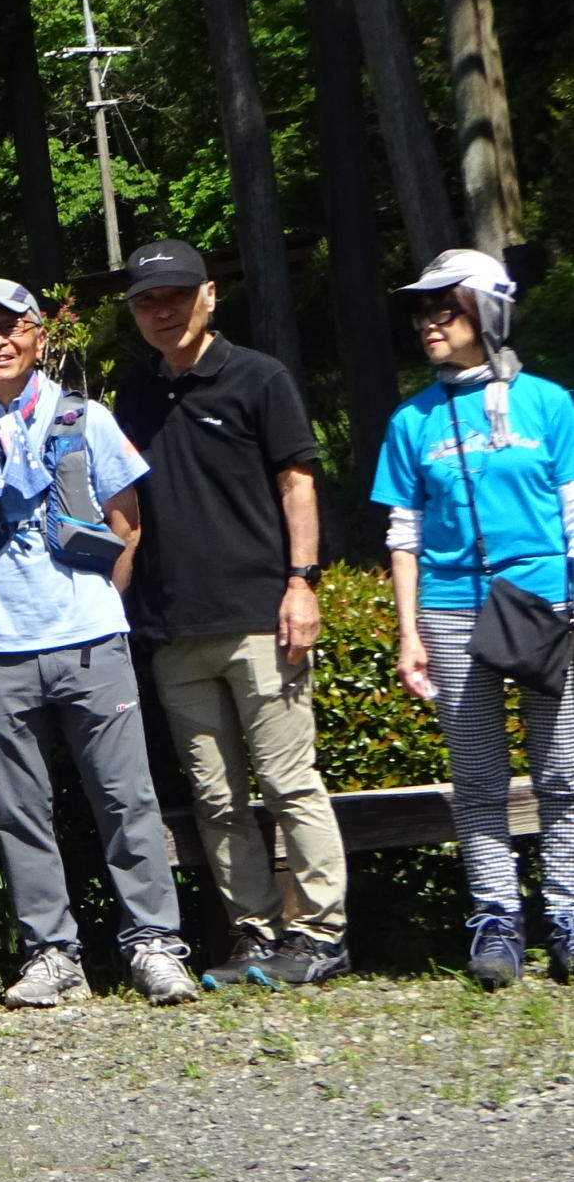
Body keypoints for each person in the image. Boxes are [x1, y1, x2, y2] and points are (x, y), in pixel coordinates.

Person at [0, 280, 200, 1008]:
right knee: (19, 810)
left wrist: (101, 600)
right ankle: (51, 953)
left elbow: (126, 521)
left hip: (91, 639)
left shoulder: (84, 419)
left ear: (39, 336)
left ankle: (155, 944)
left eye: (10, 327)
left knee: (127, 798)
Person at [114, 239, 348, 989]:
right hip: (174, 627)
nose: (162, 311)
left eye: (176, 296)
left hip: (260, 615)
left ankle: (320, 934)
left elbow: (298, 484)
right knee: (215, 797)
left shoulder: (258, 377)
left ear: (209, 296)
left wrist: (302, 582)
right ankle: (253, 930)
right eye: (148, 301)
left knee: (288, 781)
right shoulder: (135, 392)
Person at [371, 248, 574, 988]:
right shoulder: (411, 421)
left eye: (446, 308)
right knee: (480, 775)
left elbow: (572, 510)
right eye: (424, 310)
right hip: (453, 609)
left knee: (563, 772)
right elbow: (405, 534)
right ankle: (495, 919)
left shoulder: (550, 404)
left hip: (546, 603)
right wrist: (408, 633)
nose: (430, 321)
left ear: (488, 312)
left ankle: (568, 913)